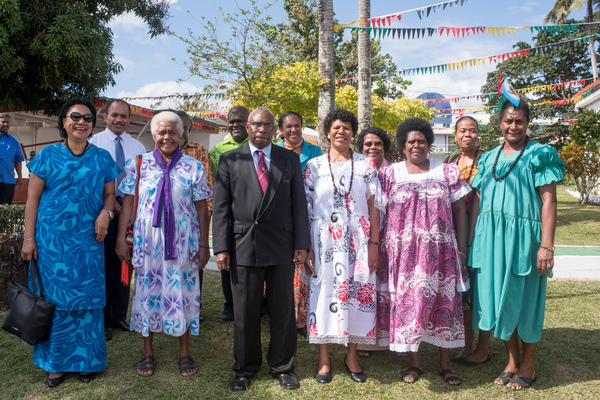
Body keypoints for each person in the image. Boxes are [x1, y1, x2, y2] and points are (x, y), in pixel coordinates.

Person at [21, 98, 119, 388]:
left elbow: (110, 195)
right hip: (51, 243)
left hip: (89, 241)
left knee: (88, 301)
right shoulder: (47, 156)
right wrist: (29, 238)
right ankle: (56, 365)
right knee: (56, 303)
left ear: (93, 124)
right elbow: (33, 198)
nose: (81, 122)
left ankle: (87, 362)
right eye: (74, 116)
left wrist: (106, 212)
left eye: (87, 118)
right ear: (63, 121)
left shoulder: (102, 158)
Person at [469, 99, 564, 390]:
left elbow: (549, 200)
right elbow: (479, 201)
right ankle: (511, 360)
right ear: (500, 123)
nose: (513, 126)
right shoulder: (489, 158)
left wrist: (546, 245)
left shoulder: (540, 154)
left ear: (527, 123)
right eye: (508, 121)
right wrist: (474, 241)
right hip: (491, 238)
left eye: (519, 121)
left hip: (525, 240)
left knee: (526, 303)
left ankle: (528, 364)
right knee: (499, 300)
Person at [212, 107, 310, 391]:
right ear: (248, 126)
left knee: (282, 312)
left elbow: (299, 206)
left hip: (281, 245)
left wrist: (301, 244)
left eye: (268, 125)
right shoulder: (230, 159)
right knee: (245, 312)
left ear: (274, 129)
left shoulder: (289, 159)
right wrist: (221, 247)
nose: (262, 130)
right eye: (257, 125)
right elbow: (220, 208)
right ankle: (244, 368)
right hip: (243, 245)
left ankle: (282, 366)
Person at [115, 111, 211, 378]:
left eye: (172, 132)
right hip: (148, 243)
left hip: (184, 242)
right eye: (162, 132)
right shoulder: (138, 164)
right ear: (154, 135)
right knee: (148, 291)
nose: (167, 137)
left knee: (185, 293)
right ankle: (147, 350)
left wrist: (204, 245)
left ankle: (184, 350)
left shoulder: (194, 166)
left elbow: (202, 208)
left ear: (180, 136)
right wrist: (122, 238)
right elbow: (128, 204)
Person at [377, 117, 470, 386]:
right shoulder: (389, 174)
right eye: (410, 142)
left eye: (421, 141)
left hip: (441, 252)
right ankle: (414, 362)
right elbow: (379, 214)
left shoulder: (447, 172)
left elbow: (460, 212)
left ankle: (445, 363)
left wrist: (461, 249)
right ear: (402, 146)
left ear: (429, 144)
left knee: (443, 302)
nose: (416, 145)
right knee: (410, 304)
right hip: (402, 253)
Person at [304, 109, 382, 384]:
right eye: (336, 127)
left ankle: (352, 355)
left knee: (356, 293)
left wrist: (374, 243)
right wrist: (307, 247)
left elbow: (375, 207)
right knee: (323, 293)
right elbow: (305, 207)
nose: (341, 132)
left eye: (347, 128)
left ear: (353, 133)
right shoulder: (313, 166)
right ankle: (324, 358)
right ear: (327, 132)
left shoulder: (366, 165)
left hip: (359, 242)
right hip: (323, 240)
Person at [88, 99, 146, 341]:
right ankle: (101, 319)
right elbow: (91, 181)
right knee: (103, 267)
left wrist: (130, 206)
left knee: (125, 262)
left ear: (129, 119)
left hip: (130, 215)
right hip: (103, 212)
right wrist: (112, 203)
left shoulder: (139, 147)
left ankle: (119, 315)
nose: (119, 120)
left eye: (124, 116)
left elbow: (143, 180)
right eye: (115, 115)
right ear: (105, 116)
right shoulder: (93, 143)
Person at [443, 116, 492, 366]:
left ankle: (483, 348)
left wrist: (470, 241)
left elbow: (482, 201)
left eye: (472, 131)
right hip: (453, 233)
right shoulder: (450, 162)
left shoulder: (487, 160)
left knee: (481, 292)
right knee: (463, 294)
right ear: (455, 134)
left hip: (480, 232)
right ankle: (466, 346)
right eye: (463, 131)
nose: (468, 135)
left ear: (478, 134)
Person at [277, 111, 323, 334]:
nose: (293, 130)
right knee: (288, 269)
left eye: (297, 125)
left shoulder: (316, 152)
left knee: (308, 265)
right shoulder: (274, 152)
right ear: (281, 130)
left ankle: (306, 318)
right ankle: (287, 317)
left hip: (312, 214)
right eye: (288, 127)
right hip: (283, 216)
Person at [209, 105, 250, 323]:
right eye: (231, 121)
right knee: (227, 259)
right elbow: (219, 186)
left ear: (249, 123)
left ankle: (260, 304)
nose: (235, 125)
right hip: (231, 215)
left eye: (240, 121)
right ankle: (230, 305)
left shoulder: (258, 145)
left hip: (254, 215)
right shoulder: (218, 151)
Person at [354, 126, 392, 358]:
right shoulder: (355, 170)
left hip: (390, 239)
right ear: (361, 148)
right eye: (368, 144)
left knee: (387, 290)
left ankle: (387, 339)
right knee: (365, 287)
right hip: (362, 239)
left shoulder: (393, 172)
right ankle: (364, 341)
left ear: (385, 147)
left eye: (377, 143)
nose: (372, 148)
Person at [176, 110, 215, 323]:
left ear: (189, 129)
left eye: (182, 127)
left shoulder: (199, 151)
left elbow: (208, 190)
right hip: (167, 225)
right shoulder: (158, 150)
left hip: (193, 223)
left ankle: (192, 312)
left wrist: (204, 229)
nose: (178, 131)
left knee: (193, 267)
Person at [0, 113, 24, 204]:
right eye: (3, 122)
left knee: (6, 209)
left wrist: (20, 178)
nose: (6, 124)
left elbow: (18, 160)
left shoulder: (14, 141)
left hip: (9, 181)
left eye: (7, 122)